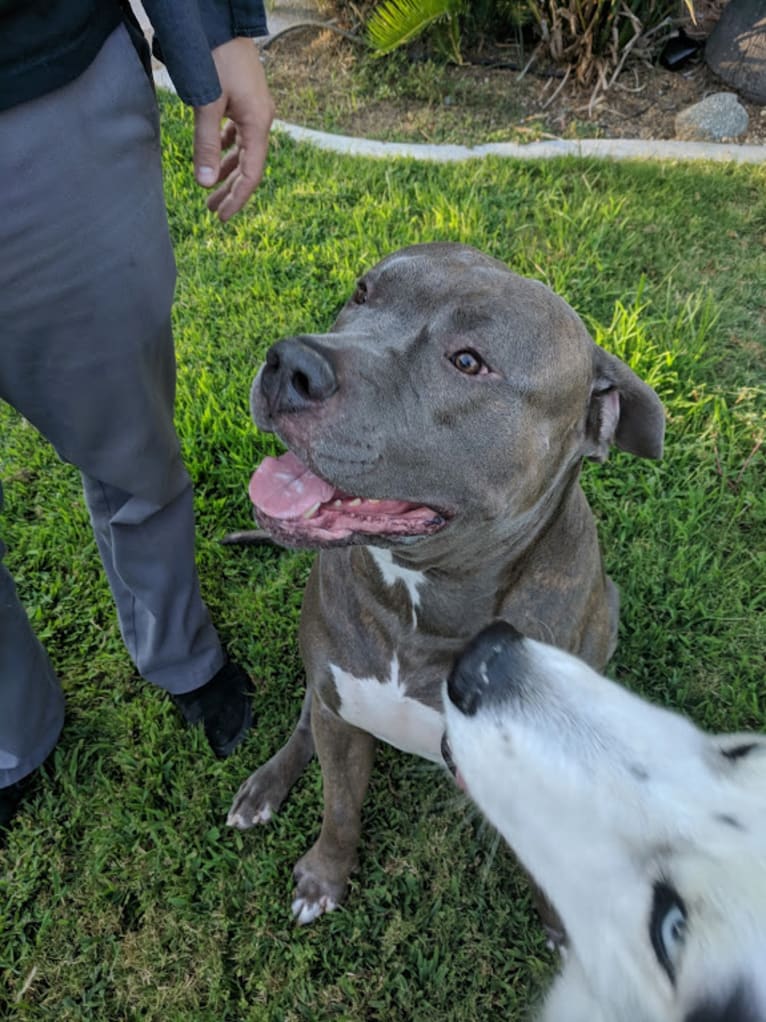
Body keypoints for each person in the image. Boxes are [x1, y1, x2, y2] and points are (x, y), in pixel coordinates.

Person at [0, 0, 276, 834]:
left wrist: (218, 28)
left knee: (128, 432)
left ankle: (178, 648)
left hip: (47, 86)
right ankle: (10, 734)